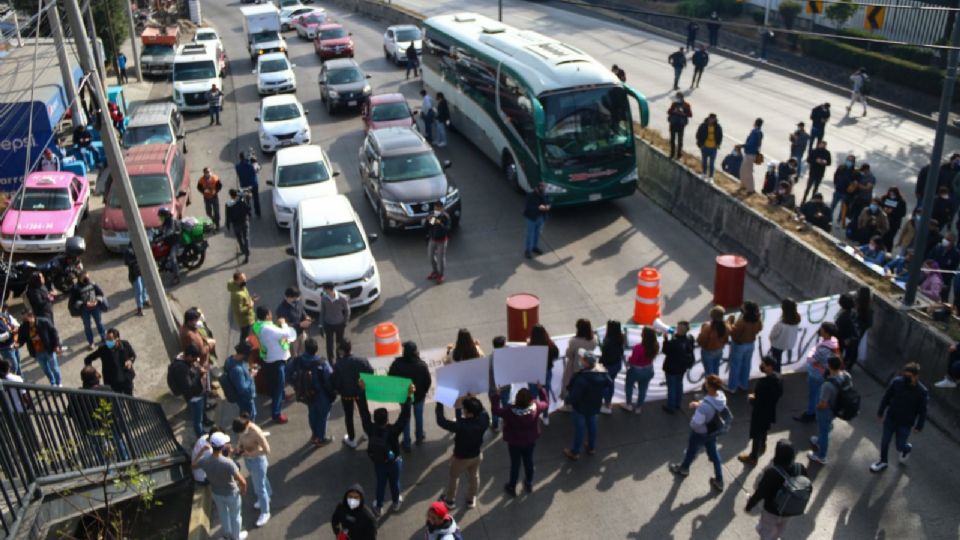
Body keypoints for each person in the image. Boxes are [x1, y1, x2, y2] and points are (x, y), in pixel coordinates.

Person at [357, 380, 414, 515]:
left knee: (380, 484)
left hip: (379, 462)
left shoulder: (370, 428)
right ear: (387, 419)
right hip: (394, 462)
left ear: (374, 419)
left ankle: (379, 505)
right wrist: (408, 396)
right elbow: (405, 416)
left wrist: (362, 391)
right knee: (395, 483)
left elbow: (363, 412)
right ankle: (395, 502)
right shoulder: (393, 431)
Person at [669, 374, 728, 491]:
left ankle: (684, 468)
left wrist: (698, 408)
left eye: (706, 384)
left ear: (710, 387)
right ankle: (719, 479)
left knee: (691, 450)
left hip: (700, 433)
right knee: (714, 455)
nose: (704, 385)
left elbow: (696, 424)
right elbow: (711, 402)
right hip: (713, 431)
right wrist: (700, 403)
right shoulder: (721, 397)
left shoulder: (704, 408)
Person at [745, 440, 809, 540]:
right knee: (781, 528)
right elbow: (806, 484)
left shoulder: (772, 473)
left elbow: (760, 493)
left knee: (766, 531)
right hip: (789, 509)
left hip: (772, 511)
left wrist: (749, 505)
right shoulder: (800, 468)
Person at [870, 362, 928, 473]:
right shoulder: (897, 382)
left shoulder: (922, 392)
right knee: (885, 441)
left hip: (905, 424)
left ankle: (907, 448)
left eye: (908, 376)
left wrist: (919, 426)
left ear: (916, 376)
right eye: (904, 375)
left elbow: (922, 411)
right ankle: (883, 461)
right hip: (891, 418)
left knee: (900, 445)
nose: (905, 378)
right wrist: (880, 412)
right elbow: (886, 397)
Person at [490, 385, 548, 496]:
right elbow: (546, 402)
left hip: (514, 443)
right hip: (530, 441)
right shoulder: (536, 407)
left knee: (515, 464)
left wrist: (497, 396)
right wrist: (541, 389)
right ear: (530, 399)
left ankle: (512, 486)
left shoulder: (509, 411)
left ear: (517, 399)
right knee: (529, 462)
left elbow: (495, 410)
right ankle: (529, 482)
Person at [436, 396, 489, 509]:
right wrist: (473, 399)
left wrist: (440, 404)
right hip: (477, 455)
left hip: (461, 458)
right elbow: (483, 410)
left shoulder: (461, 426)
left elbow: (441, 421)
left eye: (464, 408)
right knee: (474, 477)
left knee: (454, 477)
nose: (462, 409)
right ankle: (471, 499)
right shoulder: (484, 420)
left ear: (468, 413)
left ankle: (450, 500)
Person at [193, 432, 247, 540]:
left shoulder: (204, 460)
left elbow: (193, 465)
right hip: (231, 494)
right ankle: (236, 537)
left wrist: (201, 451)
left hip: (216, 493)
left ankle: (227, 536)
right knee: (235, 516)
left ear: (211, 444)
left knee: (223, 515)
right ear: (223, 446)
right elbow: (242, 481)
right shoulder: (228, 463)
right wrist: (243, 490)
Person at [563, 348, 612, 461]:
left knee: (579, 429)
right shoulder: (602, 374)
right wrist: (606, 399)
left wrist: (567, 400)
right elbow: (610, 385)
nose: (580, 360)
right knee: (592, 425)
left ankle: (575, 452)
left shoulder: (582, 378)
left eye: (582, 359)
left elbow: (575, 397)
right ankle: (591, 447)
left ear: (586, 362)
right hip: (595, 405)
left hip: (580, 408)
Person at [253, 307, 297, 424]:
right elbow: (287, 333)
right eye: (270, 313)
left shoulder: (257, 325)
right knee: (278, 386)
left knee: (274, 384)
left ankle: (282, 396)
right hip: (276, 360)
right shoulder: (269, 328)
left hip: (267, 358)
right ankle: (276, 414)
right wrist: (283, 323)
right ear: (267, 315)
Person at [288, 338, 336, 446]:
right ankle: (321, 438)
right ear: (316, 349)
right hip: (321, 394)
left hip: (306, 393)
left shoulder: (298, 360)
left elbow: (288, 372)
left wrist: (295, 384)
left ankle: (314, 434)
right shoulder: (322, 363)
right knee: (323, 416)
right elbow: (330, 378)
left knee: (312, 414)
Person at [738, 356, 783, 466]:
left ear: (769, 367)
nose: (761, 366)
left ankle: (753, 457)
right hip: (770, 410)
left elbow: (758, 400)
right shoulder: (779, 378)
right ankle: (763, 445)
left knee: (756, 433)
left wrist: (752, 398)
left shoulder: (763, 383)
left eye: (764, 364)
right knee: (765, 428)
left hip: (760, 412)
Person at [388, 341, 432, 451]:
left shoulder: (397, 364)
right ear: (415, 352)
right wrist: (423, 392)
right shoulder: (421, 365)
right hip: (419, 397)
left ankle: (406, 442)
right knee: (419, 416)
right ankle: (419, 436)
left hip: (404, 397)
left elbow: (390, 379)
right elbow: (428, 381)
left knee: (405, 419)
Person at [808, 355, 851, 465]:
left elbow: (823, 404)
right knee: (826, 427)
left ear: (829, 366)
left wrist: (817, 407)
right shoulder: (846, 376)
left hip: (826, 411)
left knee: (823, 432)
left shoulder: (827, 385)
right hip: (837, 408)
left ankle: (821, 456)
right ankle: (819, 441)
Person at [794, 322, 839, 423]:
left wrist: (811, 352)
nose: (820, 330)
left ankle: (811, 413)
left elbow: (811, 359)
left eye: (822, 329)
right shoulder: (833, 342)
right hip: (824, 373)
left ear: (826, 333)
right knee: (819, 394)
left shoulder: (823, 349)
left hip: (817, 374)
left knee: (813, 394)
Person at [232, 413, 272, 527]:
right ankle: (267, 497)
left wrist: (250, 453)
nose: (240, 434)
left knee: (259, 487)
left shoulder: (256, 433)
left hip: (257, 461)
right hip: (248, 460)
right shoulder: (243, 428)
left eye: (240, 432)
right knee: (262, 481)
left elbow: (266, 450)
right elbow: (241, 439)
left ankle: (265, 512)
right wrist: (239, 447)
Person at [333, 339, 373, 448]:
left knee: (349, 416)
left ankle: (352, 439)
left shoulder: (338, 365)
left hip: (346, 394)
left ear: (341, 351)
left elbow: (336, 382)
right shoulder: (361, 361)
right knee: (364, 412)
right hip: (360, 392)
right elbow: (370, 372)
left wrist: (339, 390)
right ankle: (368, 432)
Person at [169, 345, 208, 438]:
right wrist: (200, 376)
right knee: (197, 420)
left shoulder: (183, 361)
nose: (196, 360)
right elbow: (189, 387)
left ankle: (203, 425)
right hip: (195, 396)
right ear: (189, 356)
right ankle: (201, 435)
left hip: (196, 395)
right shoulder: (181, 369)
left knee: (199, 414)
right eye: (194, 358)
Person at [83, 328, 135, 395]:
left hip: (126, 380)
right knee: (118, 404)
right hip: (113, 384)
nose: (107, 342)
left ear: (117, 339)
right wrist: (93, 372)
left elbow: (132, 355)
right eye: (106, 339)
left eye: (110, 339)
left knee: (131, 400)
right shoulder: (103, 349)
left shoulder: (125, 344)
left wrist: (130, 361)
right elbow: (87, 359)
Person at [527, 324, 560, 424]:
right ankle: (545, 416)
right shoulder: (551, 346)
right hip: (546, 372)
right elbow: (556, 356)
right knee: (545, 395)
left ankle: (533, 416)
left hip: (533, 374)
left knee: (533, 396)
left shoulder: (529, 346)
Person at [18, 310, 61, 385]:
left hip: (48, 350)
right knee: (46, 370)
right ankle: (52, 382)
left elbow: (54, 333)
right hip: (37, 352)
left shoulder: (44, 322)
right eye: (23, 320)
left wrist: (56, 345)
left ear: (31, 316)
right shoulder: (24, 327)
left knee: (54, 368)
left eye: (25, 319)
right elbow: (22, 338)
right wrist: (18, 344)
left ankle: (59, 383)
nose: (24, 321)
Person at [728, 301, 763, 393]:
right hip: (750, 344)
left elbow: (734, 333)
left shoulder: (742, 322)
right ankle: (744, 384)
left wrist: (729, 323)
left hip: (739, 345)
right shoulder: (757, 320)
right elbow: (760, 328)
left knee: (735, 366)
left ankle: (732, 387)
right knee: (746, 365)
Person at [560, 319, 597, 402]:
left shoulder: (574, 341)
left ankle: (569, 403)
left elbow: (568, 354)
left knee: (569, 385)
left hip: (574, 368)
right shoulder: (594, 339)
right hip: (588, 367)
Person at [623, 326, 658, 414]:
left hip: (636, 371)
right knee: (643, 389)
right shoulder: (656, 345)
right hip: (649, 370)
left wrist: (628, 359)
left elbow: (633, 361)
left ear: (644, 335)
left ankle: (629, 404)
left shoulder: (638, 347)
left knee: (629, 385)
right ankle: (638, 407)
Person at [662, 321, 694, 413]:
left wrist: (666, 340)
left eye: (678, 327)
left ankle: (671, 406)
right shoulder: (690, 338)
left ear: (680, 330)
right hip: (682, 367)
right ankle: (677, 404)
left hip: (672, 368)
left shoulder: (674, 342)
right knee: (679, 384)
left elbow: (666, 351)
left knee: (671, 387)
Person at [69, 272, 107, 350]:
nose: (87, 279)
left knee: (99, 323)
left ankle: (104, 338)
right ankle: (91, 343)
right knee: (87, 326)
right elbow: (74, 302)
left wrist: (96, 301)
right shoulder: (76, 288)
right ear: (80, 278)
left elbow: (100, 293)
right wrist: (85, 304)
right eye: (85, 277)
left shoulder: (92, 284)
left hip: (95, 307)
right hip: (84, 310)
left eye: (88, 277)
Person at [224, 342, 257, 420]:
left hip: (241, 398)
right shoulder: (237, 370)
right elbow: (243, 389)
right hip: (245, 398)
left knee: (246, 414)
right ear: (245, 354)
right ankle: (248, 430)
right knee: (249, 417)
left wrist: (249, 369)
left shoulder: (230, 360)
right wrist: (251, 375)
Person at [275, 287, 311, 356]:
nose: (298, 299)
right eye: (296, 297)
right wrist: (299, 325)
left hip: (302, 333)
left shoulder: (297, 302)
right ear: (289, 297)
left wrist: (306, 317)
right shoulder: (281, 309)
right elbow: (284, 326)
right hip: (292, 338)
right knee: (294, 356)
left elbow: (302, 311)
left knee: (304, 353)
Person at [599, 320, 625, 414]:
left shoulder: (607, 341)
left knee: (605, 385)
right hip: (617, 364)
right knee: (611, 383)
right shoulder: (621, 337)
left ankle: (607, 405)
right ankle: (608, 403)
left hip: (608, 366)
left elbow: (604, 356)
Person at [319, 282, 350, 362]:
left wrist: (345, 322)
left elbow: (347, 310)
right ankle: (330, 360)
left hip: (339, 324)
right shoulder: (324, 298)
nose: (324, 291)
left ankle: (339, 359)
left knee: (339, 343)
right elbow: (322, 312)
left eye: (324, 289)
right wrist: (321, 325)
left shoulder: (342, 298)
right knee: (329, 344)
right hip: (328, 324)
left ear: (329, 289)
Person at [767, 299, 800, 371]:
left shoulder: (780, 324)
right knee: (778, 361)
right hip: (789, 344)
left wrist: (770, 339)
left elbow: (772, 335)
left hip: (777, 345)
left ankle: (776, 377)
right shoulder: (796, 319)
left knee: (776, 362)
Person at [697, 306, 730, 376]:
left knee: (709, 373)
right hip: (719, 350)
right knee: (716, 369)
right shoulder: (726, 326)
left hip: (708, 352)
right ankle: (716, 383)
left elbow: (700, 340)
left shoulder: (707, 328)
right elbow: (726, 339)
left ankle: (711, 385)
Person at [523, 182, 551, 259]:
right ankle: (528, 251)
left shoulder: (545, 194)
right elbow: (529, 207)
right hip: (532, 218)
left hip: (541, 218)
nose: (543, 189)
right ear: (536, 188)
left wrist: (548, 206)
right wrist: (538, 207)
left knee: (537, 234)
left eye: (544, 187)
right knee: (530, 234)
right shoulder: (530, 195)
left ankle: (534, 247)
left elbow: (549, 202)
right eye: (541, 187)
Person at [426, 201, 451, 284]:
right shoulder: (432, 215)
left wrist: (440, 223)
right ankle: (435, 272)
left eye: (438, 208)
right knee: (430, 257)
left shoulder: (445, 217)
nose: (436, 210)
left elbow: (447, 230)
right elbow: (427, 226)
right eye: (435, 208)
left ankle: (441, 275)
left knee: (441, 259)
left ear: (442, 208)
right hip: (433, 239)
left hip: (442, 241)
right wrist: (428, 221)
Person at [228, 272, 257, 344]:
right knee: (244, 335)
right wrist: (250, 306)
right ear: (236, 281)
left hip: (248, 317)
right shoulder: (237, 295)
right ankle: (242, 349)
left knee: (246, 334)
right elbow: (239, 310)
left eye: (245, 278)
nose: (245, 281)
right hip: (245, 321)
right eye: (242, 279)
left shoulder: (241, 287)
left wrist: (251, 299)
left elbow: (245, 298)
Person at [930, 233, 960, 302]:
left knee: (941, 299)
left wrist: (945, 283)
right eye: (945, 238)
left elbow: (952, 270)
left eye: (948, 240)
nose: (945, 241)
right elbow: (930, 257)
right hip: (931, 276)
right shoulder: (938, 247)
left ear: (952, 242)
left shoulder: (956, 254)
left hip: (943, 281)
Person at [834, 293, 860, 372]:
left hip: (843, 339)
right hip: (848, 340)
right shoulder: (853, 313)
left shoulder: (843, 317)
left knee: (840, 355)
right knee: (848, 355)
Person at [225, 189, 252, 263]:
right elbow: (248, 209)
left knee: (239, 238)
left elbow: (227, 215)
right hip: (244, 222)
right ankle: (247, 254)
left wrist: (228, 224)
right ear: (236, 194)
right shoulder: (242, 201)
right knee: (246, 238)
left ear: (230, 195)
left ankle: (242, 250)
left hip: (236, 224)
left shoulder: (228, 204)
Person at [157, 207, 182, 284]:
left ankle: (176, 277)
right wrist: (156, 236)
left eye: (161, 216)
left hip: (175, 242)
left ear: (165, 216)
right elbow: (162, 230)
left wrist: (163, 237)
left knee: (172, 257)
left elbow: (170, 231)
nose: (160, 218)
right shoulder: (165, 222)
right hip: (169, 241)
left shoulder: (171, 221)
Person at [802, 140, 831, 204]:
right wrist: (815, 161)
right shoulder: (814, 151)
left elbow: (829, 162)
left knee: (815, 189)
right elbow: (808, 160)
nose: (823, 146)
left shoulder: (827, 153)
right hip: (813, 172)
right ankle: (803, 200)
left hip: (820, 173)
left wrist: (825, 162)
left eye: (824, 145)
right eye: (822, 144)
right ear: (819, 144)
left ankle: (812, 201)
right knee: (808, 188)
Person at [831, 154, 858, 223]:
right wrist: (836, 183)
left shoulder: (854, 172)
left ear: (853, 162)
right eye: (848, 160)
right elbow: (836, 175)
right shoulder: (841, 167)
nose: (849, 162)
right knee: (833, 205)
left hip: (846, 193)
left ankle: (839, 220)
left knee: (842, 208)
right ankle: (829, 217)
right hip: (838, 190)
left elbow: (855, 183)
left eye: (851, 161)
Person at [695, 113, 722, 180]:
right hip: (705, 147)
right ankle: (704, 174)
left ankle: (711, 177)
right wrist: (700, 145)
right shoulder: (703, 126)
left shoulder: (718, 127)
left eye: (713, 119)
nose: (712, 120)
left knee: (711, 163)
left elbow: (720, 136)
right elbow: (698, 135)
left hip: (713, 148)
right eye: (711, 119)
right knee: (704, 161)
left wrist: (718, 144)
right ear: (708, 118)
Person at [123, 244, 147, 316]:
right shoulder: (128, 250)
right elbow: (126, 262)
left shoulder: (140, 247)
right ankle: (140, 308)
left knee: (144, 287)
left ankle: (145, 301)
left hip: (141, 271)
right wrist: (136, 260)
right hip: (134, 274)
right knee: (139, 290)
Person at [740, 118, 764, 193]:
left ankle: (750, 189)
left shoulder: (755, 132)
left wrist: (742, 146)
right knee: (743, 170)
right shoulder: (760, 132)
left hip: (750, 154)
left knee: (747, 172)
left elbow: (751, 143)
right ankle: (743, 185)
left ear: (755, 123)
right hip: (753, 153)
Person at [235, 153, 261, 218]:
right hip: (253, 184)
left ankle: (249, 213)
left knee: (247, 200)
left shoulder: (237, 166)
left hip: (244, 185)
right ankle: (258, 213)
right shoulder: (251, 164)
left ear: (240, 158)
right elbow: (257, 169)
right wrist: (255, 161)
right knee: (256, 199)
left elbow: (238, 174)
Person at [667, 93, 691, 160]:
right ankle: (672, 153)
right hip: (673, 124)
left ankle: (679, 155)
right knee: (672, 140)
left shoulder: (686, 105)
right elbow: (669, 111)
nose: (677, 98)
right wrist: (674, 111)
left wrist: (683, 113)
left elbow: (690, 114)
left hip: (681, 125)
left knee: (680, 141)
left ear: (682, 97)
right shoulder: (674, 104)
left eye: (678, 97)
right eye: (677, 97)